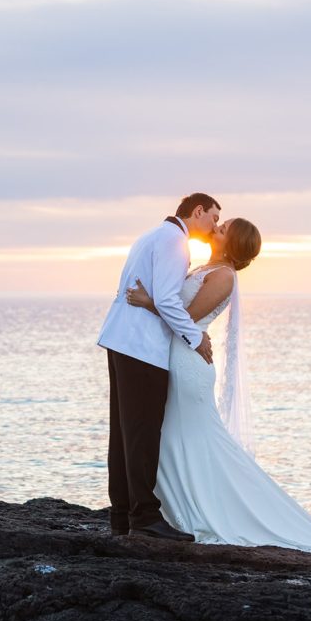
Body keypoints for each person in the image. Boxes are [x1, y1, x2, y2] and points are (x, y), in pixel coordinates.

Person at [125, 218, 311, 560]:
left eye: (223, 228)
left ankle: (216, 509)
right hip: (178, 356)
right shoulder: (208, 267)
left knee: (196, 438)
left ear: (232, 242)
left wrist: (148, 301)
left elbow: (187, 318)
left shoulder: (223, 276)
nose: (216, 229)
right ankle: (176, 509)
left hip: (188, 365)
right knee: (174, 436)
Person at [97, 193, 220, 541]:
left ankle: (122, 516)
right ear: (197, 211)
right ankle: (145, 517)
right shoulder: (174, 242)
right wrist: (195, 338)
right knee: (142, 432)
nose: (213, 226)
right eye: (212, 217)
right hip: (141, 347)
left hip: (122, 339)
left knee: (123, 432)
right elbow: (167, 299)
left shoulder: (152, 235)